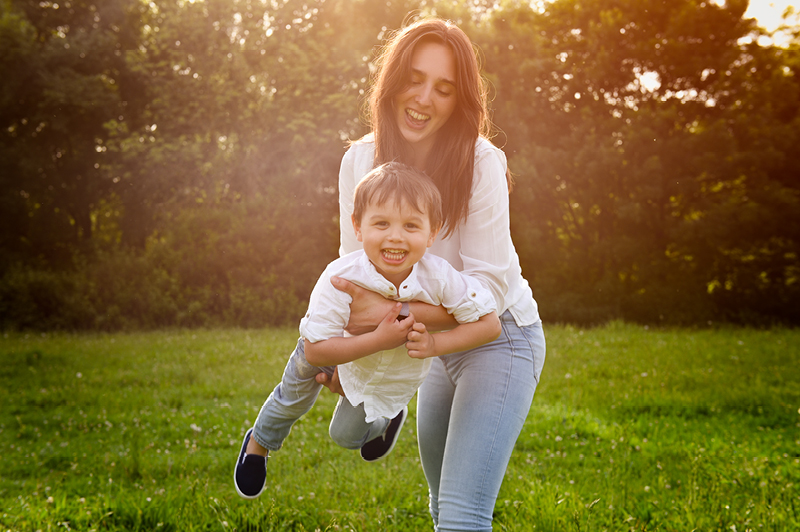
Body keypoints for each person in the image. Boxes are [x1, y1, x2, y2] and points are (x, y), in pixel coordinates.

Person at [316, 17, 546, 531]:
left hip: (500, 336)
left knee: (462, 518)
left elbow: (486, 294)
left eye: (444, 89)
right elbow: (357, 274)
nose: (424, 98)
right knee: (440, 507)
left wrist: (395, 314)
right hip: (426, 339)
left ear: (460, 100)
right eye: (415, 79)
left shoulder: (482, 163)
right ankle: (387, 409)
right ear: (392, 80)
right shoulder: (359, 160)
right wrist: (349, 347)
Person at [234, 161, 501, 499]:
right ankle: (259, 444)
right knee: (291, 402)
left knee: (344, 436)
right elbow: (316, 350)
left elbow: (489, 324)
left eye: (411, 225)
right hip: (331, 346)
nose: (395, 236)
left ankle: (387, 420)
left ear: (432, 232)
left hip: (382, 374)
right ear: (358, 227)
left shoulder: (440, 277)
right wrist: (379, 339)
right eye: (381, 223)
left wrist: (434, 344)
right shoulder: (341, 277)